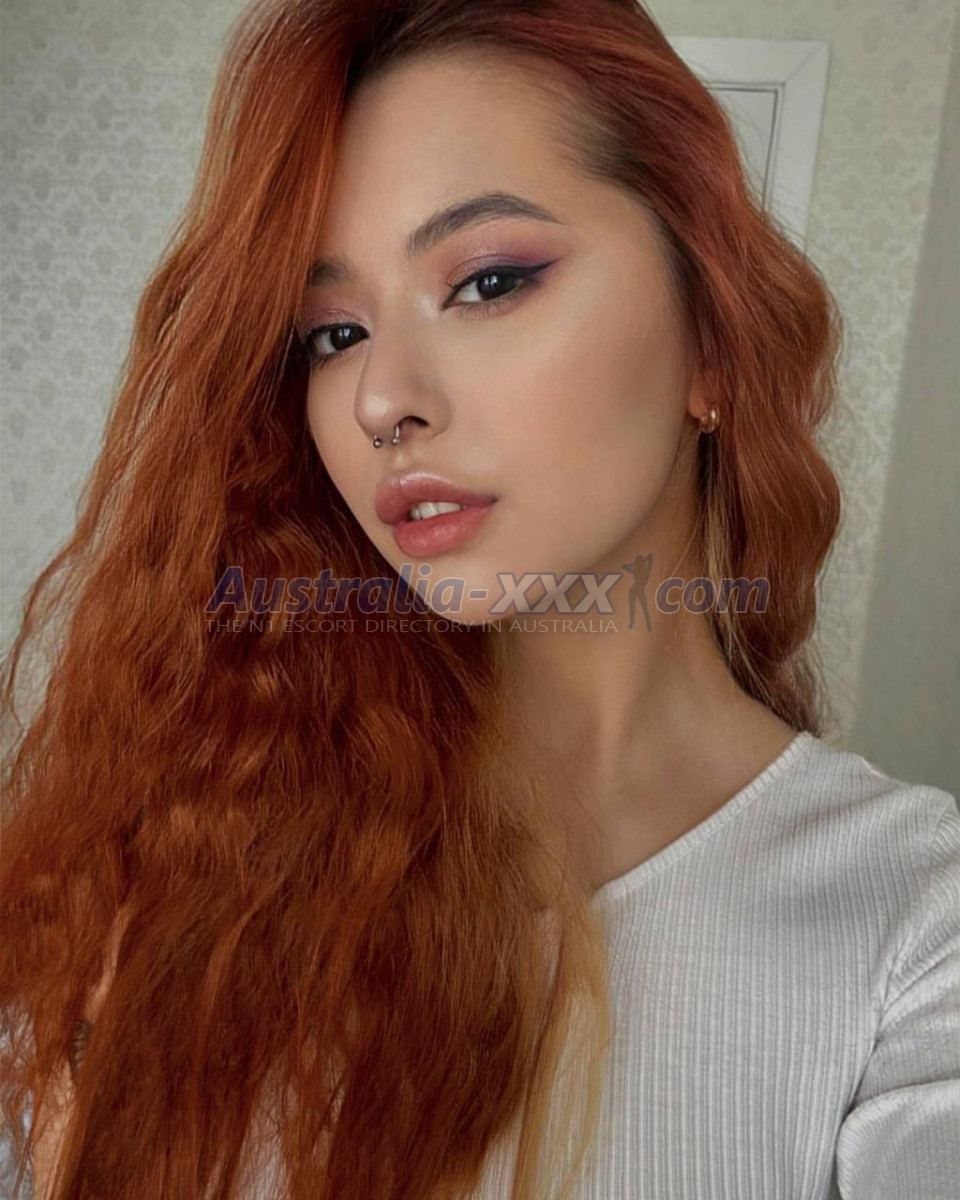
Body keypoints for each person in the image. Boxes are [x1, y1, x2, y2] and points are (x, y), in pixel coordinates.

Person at [2, 1, 957, 1198]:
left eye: (488, 281)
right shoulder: (185, 858)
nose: (379, 400)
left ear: (713, 339)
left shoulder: (916, 920)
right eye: (333, 334)